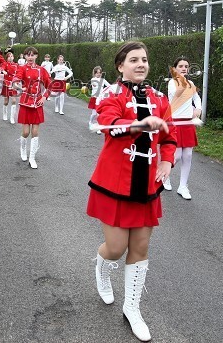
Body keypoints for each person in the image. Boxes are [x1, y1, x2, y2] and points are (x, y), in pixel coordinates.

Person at [87, 41, 177, 342]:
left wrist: (166, 163)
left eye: (145, 59)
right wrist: (139, 123)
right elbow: (109, 124)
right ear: (120, 66)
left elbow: (169, 136)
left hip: (147, 186)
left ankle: (132, 308)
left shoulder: (160, 99)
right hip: (114, 184)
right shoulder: (110, 95)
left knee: (139, 248)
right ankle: (102, 268)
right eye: (134, 60)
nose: (141, 64)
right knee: (115, 248)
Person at [164, 56, 202, 199]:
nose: (184, 69)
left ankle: (183, 186)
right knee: (177, 156)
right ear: (175, 69)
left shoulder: (190, 83)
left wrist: (198, 109)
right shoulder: (172, 83)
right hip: (175, 122)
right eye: (181, 66)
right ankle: (165, 176)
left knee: (188, 155)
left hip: (187, 123)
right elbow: (179, 94)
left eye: (186, 66)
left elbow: (196, 98)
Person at [12, 47, 51, 169]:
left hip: (37, 102)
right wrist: (18, 86)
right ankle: (23, 149)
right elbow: (16, 80)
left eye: (32, 55)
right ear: (24, 57)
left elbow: (50, 85)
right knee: (25, 132)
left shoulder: (41, 70)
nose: (30, 57)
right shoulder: (22, 68)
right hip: (25, 102)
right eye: (27, 55)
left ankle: (32, 158)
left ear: (36, 56)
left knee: (35, 131)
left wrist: (44, 97)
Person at [88, 66, 111, 134]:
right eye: (97, 73)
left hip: (100, 99)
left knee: (99, 114)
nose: (99, 74)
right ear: (94, 73)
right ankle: (90, 122)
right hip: (95, 98)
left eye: (100, 73)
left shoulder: (103, 80)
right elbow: (96, 86)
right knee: (94, 114)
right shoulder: (93, 79)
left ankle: (98, 127)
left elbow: (109, 86)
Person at [1, 52, 18, 124]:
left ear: (13, 57)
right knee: (6, 101)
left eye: (12, 56)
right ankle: (4, 113)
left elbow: (20, 72)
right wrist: (3, 71)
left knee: (14, 101)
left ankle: (12, 117)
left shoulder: (16, 65)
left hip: (14, 84)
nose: (10, 57)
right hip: (6, 84)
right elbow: (2, 68)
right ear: (7, 58)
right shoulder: (5, 64)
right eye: (9, 56)